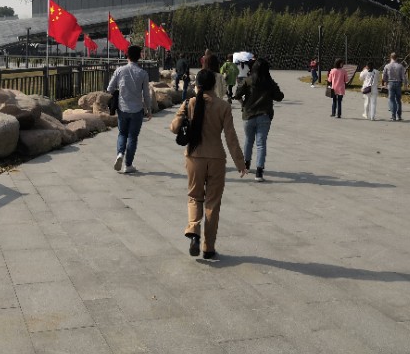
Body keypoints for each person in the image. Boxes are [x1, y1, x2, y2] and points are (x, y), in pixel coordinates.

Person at [171, 69, 247, 259]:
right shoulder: (223, 106)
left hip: (194, 157)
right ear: (214, 85)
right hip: (216, 158)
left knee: (194, 197)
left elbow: (174, 128)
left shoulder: (189, 103)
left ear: (197, 84)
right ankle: (208, 247)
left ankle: (194, 230)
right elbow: (231, 137)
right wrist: (240, 162)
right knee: (212, 203)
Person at [233, 58, 284, 182]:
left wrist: (243, 102)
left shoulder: (248, 81)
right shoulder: (269, 82)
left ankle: (246, 165)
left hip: (248, 115)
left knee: (248, 140)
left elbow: (237, 94)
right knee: (261, 144)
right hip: (264, 115)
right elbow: (279, 97)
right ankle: (259, 172)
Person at [107, 45, 153, 173]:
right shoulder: (143, 73)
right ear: (139, 56)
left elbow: (109, 89)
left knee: (122, 133)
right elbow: (146, 95)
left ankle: (120, 154)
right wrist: (148, 110)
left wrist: (119, 90)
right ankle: (128, 165)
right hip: (137, 109)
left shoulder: (119, 70)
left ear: (127, 56)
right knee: (132, 136)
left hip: (122, 108)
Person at [381, 52, 408, 121]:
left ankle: (393, 115)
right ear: (397, 58)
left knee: (391, 99)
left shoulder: (387, 66)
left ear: (390, 57)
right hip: (398, 83)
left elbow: (384, 76)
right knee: (398, 100)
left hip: (390, 83)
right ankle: (399, 115)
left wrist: (384, 83)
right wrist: (405, 85)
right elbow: (404, 77)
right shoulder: (400, 66)